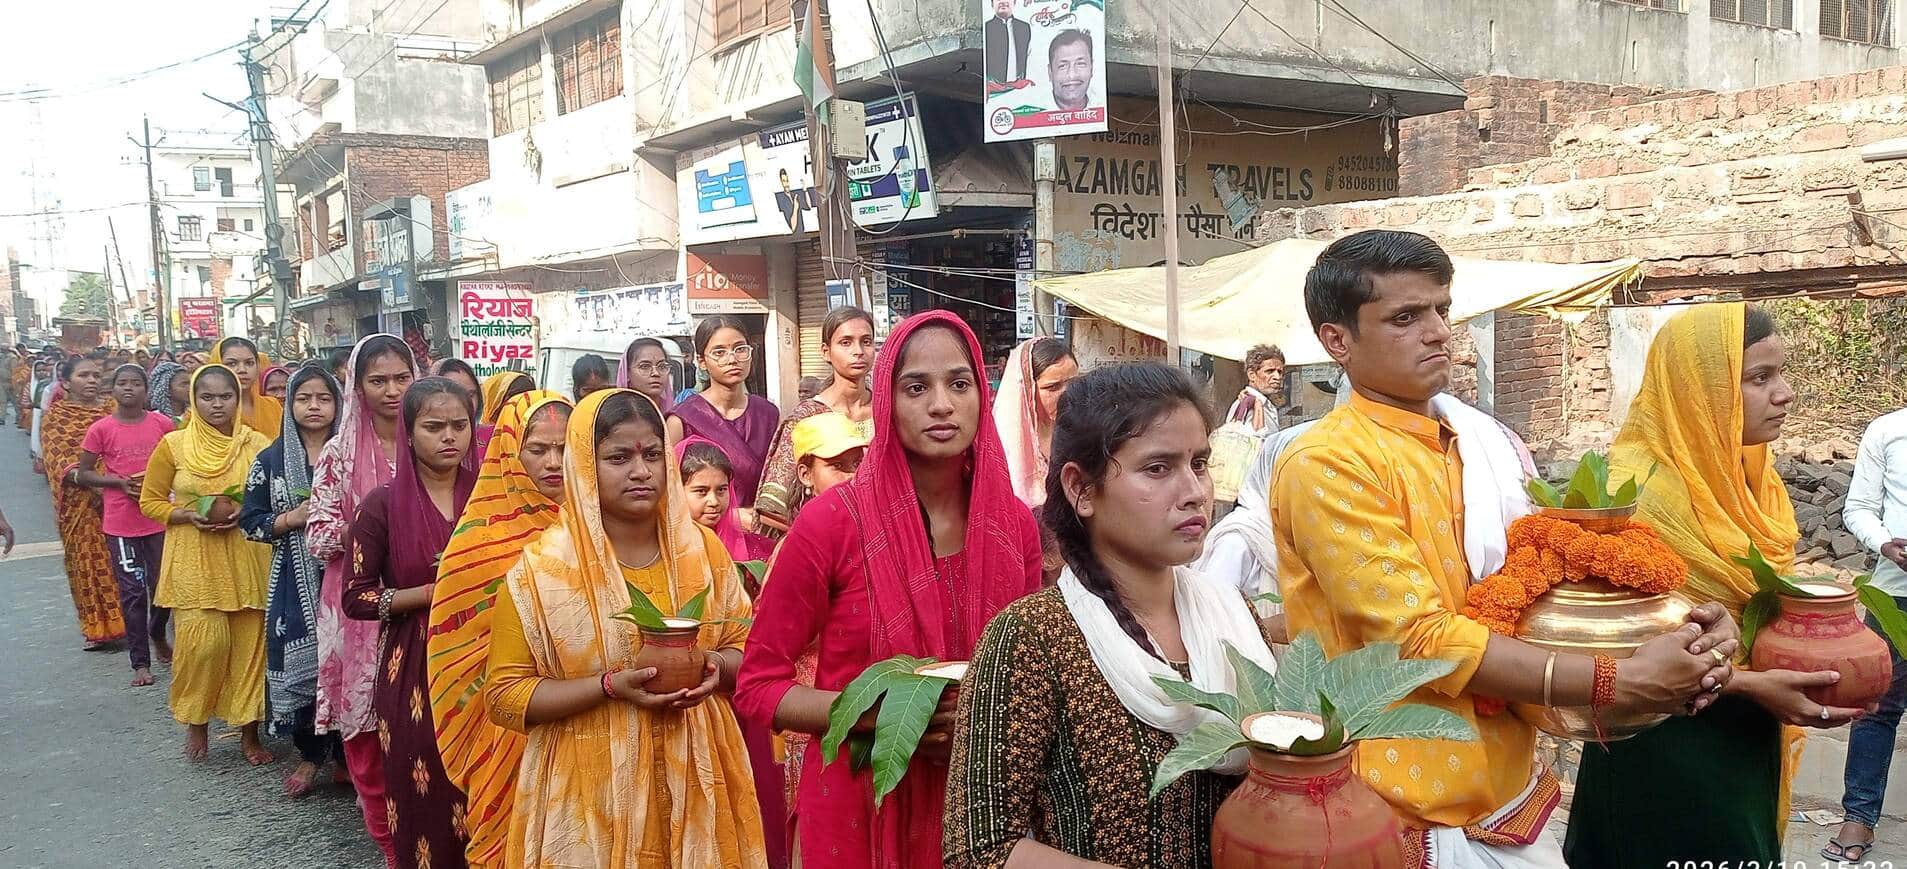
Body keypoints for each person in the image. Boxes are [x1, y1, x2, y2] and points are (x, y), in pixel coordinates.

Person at [1272, 230, 1733, 865]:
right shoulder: (1327, 461)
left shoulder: (1476, 441)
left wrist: (1684, 623)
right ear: (1337, 341)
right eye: (1405, 317)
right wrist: (1613, 677)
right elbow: (1417, 640)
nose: (1437, 331)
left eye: (1441, 308)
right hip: (1397, 803)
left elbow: (1543, 579)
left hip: (1504, 787)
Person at [736, 310, 1044, 869]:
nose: (942, 404)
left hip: (984, 811)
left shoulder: (1013, 526)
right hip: (856, 812)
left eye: (959, 382)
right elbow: (759, 686)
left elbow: (1023, 673)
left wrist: (982, 720)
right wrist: (872, 715)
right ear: (885, 402)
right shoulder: (832, 524)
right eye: (916, 387)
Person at [946, 362, 1276, 866]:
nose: (1194, 491)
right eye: (1158, 468)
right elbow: (980, 848)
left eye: (1200, 463)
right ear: (1081, 489)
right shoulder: (1032, 638)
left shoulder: (1235, 618)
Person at [1567, 305, 1852, 866]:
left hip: (1750, 733)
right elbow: (1610, 647)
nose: (1785, 393)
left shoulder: (1751, 476)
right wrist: (1751, 683)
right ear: (1698, 389)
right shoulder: (1636, 490)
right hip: (1661, 742)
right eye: (1759, 378)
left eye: (1781, 373)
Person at [481, 389, 767, 867]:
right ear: (584, 467)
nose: (641, 471)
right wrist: (609, 686)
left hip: (698, 774)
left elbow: (747, 648)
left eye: (652, 454)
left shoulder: (703, 552)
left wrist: (713, 665)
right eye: (618, 457)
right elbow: (504, 696)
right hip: (587, 793)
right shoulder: (542, 570)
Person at [428, 389, 571, 869]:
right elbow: (453, 655)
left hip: (587, 710)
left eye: (565, 447)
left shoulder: (599, 529)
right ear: (510, 452)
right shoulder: (475, 543)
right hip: (504, 728)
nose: (554, 462)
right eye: (538, 449)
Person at [343, 378, 477, 869]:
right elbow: (355, 597)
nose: (449, 437)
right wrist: (427, 593)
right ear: (409, 430)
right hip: (414, 667)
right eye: (434, 427)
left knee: (485, 789)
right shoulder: (380, 505)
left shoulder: (489, 498)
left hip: (486, 658)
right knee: (427, 788)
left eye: (460, 425)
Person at [307, 333, 419, 866]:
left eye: (401, 378)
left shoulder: (433, 441)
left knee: (425, 725)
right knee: (368, 733)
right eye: (378, 380)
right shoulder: (339, 452)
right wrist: (378, 525)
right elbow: (319, 535)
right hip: (359, 606)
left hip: (425, 599)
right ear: (357, 386)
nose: (392, 390)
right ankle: (389, 847)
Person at [138, 364, 274, 764]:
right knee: (204, 646)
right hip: (194, 559)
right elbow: (150, 501)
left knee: (251, 649)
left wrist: (245, 512)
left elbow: (270, 496)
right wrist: (187, 514)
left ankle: (250, 734)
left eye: (226, 396)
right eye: (207, 397)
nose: (218, 404)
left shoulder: (258, 444)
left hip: (247, 554)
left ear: (238, 398)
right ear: (194, 400)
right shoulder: (174, 445)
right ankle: (196, 723)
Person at [240, 364, 346, 798]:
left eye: (324, 398)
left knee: (347, 661)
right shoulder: (269, 461)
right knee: (303, 666)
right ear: (290, 405)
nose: (314, 406)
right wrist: (292, 518)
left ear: (338, 404)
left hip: (344, 570)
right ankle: (309, 755)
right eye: (304, 399)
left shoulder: (353, 452)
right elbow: (250, 523)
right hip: (293, 578)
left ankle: (345, 755)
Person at [1831, 400, 1907, 862]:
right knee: (1877, 707)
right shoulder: (1887, 430)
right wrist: (1886, 545)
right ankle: (1858, 818)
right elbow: (1857, 508)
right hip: (1893, 593)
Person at [76, 363, 177, 683]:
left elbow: (181, 460)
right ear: (113, 389)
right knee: (132, 592)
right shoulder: (101, 429)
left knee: (164, 588)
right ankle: (140, 662)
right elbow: (84, 473)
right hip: (120, 523)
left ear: (147, 391)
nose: (129, 388)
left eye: (136, 383)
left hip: (160, 518)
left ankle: (157, 631)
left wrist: (157, 482)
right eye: (122, 383)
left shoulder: (162, 424)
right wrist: (118, 483)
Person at [668, 316, 779, 557]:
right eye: (719, 352)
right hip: (702, 542)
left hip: (761, 538)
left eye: (740, 349)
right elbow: (668, 494)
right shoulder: (683, 419)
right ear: (702, 361)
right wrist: (729, 515)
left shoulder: (768, 414)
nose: (732, 359)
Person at [758, 307, 876, 533]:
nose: (858, 351)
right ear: (825, 351)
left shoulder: (888, 411)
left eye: (866, 341)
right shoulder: (807, 416)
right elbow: (771, 510)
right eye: (846, 342)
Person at [41, 356, 129, 651]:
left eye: (96, 375)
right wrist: (99, 480)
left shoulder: (113, 411)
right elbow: (60, 462)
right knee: (88, 561)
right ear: (65, 382)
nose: (92, 380)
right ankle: (98, 626)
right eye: (83, 375)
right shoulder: (57, 417)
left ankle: (132, 621)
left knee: (125, 560)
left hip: (123, 495)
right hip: (81, 502)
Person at [994, 336, 1078, 509]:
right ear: (1027, 390)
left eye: (1074, 383)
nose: (1067, 394)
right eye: (1053, 387)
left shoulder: (1081, 430)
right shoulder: (1003, 446)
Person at [212, 336, 283, 439]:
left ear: (258, 366)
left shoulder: (273, 406)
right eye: (232, 363)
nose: (242, 370)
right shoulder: (207, 411)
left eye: (249, 363)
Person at [1226, 344, 1286, 436]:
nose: (1277, 377)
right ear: (1252, 375)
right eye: (1269, 371)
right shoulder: (1246, 403)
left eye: (1280, 372)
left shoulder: (1265, 403)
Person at [618, 336, 677, 412]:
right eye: (645, 366)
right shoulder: (616, 417)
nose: (656, 373)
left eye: (662, 366)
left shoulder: (677, 417)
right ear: (627, 372)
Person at [983, 0, 1031, 83]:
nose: (1003, 2)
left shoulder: (1024, 27)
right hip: (993, 88)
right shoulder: (987, 28)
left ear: (1014, 2)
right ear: (992, 4)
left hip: (1019, 87)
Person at [1047, 29, 1094, 112]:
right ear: (1050, 72)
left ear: (1091, 68)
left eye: (1080, 64)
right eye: (1063, 66)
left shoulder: (1103, 105)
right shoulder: (1031, 112)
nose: (1072, 75)